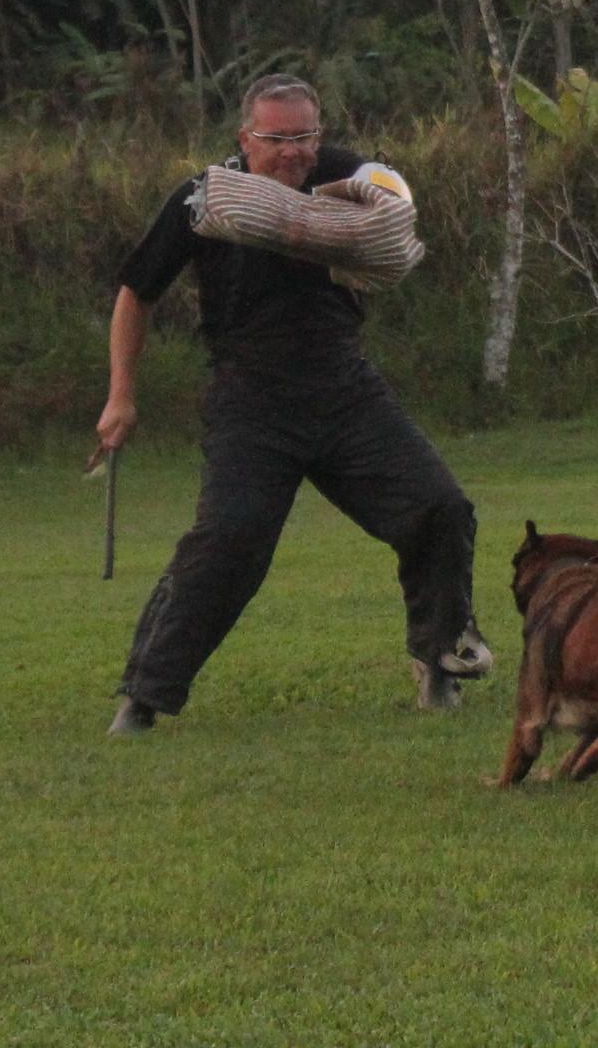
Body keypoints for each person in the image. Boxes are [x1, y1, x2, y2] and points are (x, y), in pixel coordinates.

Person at [99, 73, 491, 734]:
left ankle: (439, 666)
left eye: (305, 136)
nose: (294, 152)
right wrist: (120, 397)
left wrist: (390, 202)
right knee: (230, 538)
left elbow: (393, 195)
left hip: (345, 388)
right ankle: (144, 696)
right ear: (245, 137)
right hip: (251, 398)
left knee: (440, 509)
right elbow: (136, 293)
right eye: (277, 139)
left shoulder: (346, 173)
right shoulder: (206, 195)